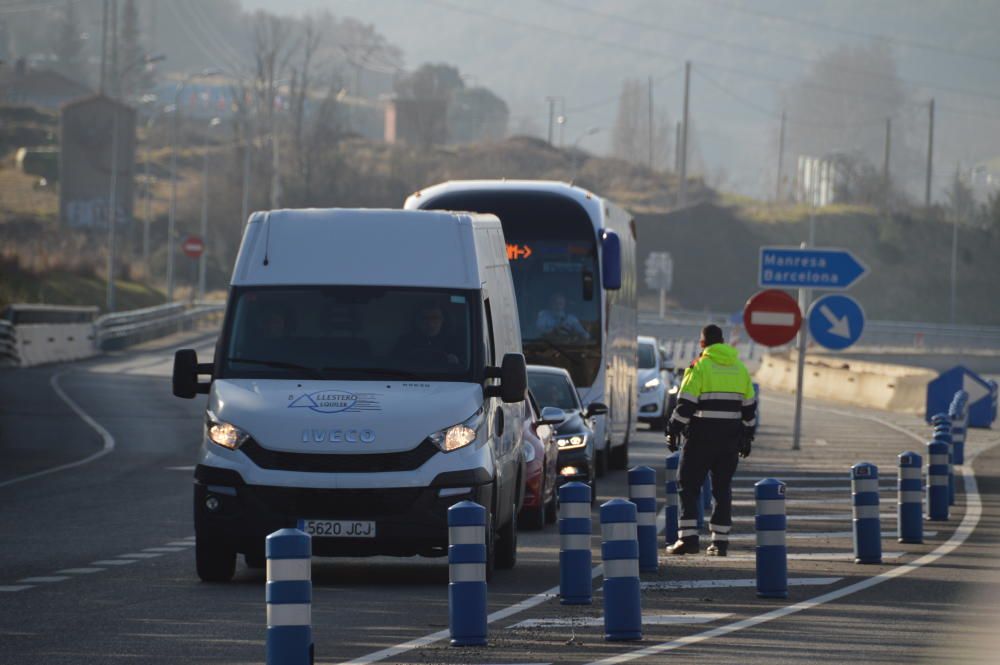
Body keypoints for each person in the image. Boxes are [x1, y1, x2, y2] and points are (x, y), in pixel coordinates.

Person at [665, 324, 756, 557]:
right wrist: (747, 437)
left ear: (702, 343)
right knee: (722, 489)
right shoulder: (740, 369)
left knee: (687, 484)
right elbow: (749, 411)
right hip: (730, 440)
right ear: (723, 341)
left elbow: (685, 405)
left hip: (701, 439)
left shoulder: (699, 367)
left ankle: (688, 539)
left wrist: (672, 429)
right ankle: (720, 542)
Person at [393, 301, 461, 366]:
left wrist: (455, 362)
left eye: (435, 318)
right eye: (425, 318)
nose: (430, 323)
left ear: (443, 320)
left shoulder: (454, 342)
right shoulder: (405, 341)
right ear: (417, 321)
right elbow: (393, 365)